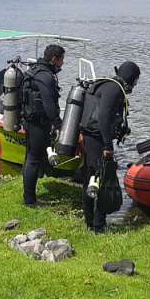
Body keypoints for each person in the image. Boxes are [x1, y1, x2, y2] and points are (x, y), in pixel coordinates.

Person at [78, 62, 140, 233]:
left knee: (91, 179)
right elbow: (104, 116)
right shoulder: (114, 89)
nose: (135, 84)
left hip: (89, 136)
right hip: (97, 139)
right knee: (101, 181)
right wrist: (107, 145)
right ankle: (98, 226)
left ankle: (90, 222)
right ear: (130, 77)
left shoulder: (106, 84)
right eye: (135, 80)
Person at [20, 44, 65, 207]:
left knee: (31, 156)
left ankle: (29, 196)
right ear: (54, 59)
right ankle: (30, 201)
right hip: (38, 123)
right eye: (61, 60)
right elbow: (48, 104)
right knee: (33, 159)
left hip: (30, 120)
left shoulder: (34, 70)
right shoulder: (45, 76)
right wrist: (57, 123)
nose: (62, 64)